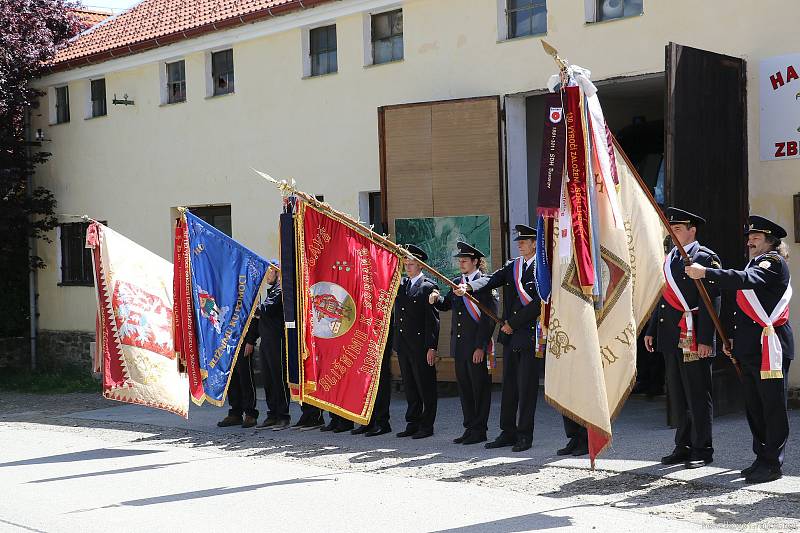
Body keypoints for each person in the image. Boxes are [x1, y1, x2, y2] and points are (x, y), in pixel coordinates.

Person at [686, 214, 793, 483]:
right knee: (755, 406)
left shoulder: (772, 262)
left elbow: (747, 280)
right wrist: (732, 338)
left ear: (770, 241)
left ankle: (773, 463)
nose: (750, 242)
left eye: (756, 238)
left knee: (772, 406)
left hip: (771, 345)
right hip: (750, 345)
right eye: (749, 238)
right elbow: (744, 310)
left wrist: (707, 272)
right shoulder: (755, 262)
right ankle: (761, 457)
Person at [644, 207, 721, 469]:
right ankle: (683, 445)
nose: (673, 232)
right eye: (672, 229)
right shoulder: (670, 258)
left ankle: (702, 448)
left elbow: (711, 302)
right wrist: (652, 329)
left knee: (697, 393)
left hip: (693, 332)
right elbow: (663, 296)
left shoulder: (705, 258)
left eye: (678, 228)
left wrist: (706, 340)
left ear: (692, 230)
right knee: (677, 393)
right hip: (672, 333)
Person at [461, 224, 541, 453]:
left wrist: (512, 324)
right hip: (510, 337)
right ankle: (508, 432)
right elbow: (490, 280)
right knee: (509, 388)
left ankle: (524, 435)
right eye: (519, 241)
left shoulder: (542, 269)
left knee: (526, 389)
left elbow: (539, 303)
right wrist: (469, 287)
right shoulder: (513, 266)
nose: (519, 244)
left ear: (535, 243)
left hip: (528, 336)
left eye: (524, 241)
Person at [430, 241, 498, 445]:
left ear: (476, 262)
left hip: (476, 346)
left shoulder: (486, 283)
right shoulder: (455, 282)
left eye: (465, 260)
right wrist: (436, 298)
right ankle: (469, 427)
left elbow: (490, 318)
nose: (461, 263)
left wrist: (480, 346)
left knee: (479, 388)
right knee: (465, 389)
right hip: (459, 347)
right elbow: (447, 305)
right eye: (460, 260)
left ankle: (480, 429)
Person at [394, 244, 440, 440]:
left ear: (420, 265)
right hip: (404, 344)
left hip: (421, 345)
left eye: (411, 264)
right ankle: (412, 422)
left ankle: (426, 424)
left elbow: (433, 321)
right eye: (406, 263)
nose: (408, 267)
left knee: (425, 385)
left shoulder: (428, 287)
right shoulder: (402, 284)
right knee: (410, 385)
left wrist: (432, 347)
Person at [248, 261, 292, 430]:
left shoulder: (280, 290)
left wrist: (253, 306)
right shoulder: (271, 291)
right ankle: (272, 413)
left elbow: (266, 309)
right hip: (266, 341)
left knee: (278, 377)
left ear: (277, 272)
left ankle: (283, 415)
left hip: (277, 340)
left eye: (269, 272)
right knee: (268, 379)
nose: (267, 276)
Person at [351, 314, 394, 437]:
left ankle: (382, 422)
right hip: (365, 329)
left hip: (381, 330)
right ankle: (368, 420)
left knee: (381, 380)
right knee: (365, 380)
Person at [216, 341, 259, 428]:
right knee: (231, 376)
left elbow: (250, 326)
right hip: (227, 339)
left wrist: (251, 340)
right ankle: (235, 413)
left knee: (245, 376)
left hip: (243, 339)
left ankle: (250, 413)